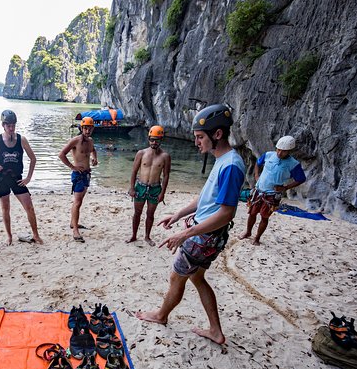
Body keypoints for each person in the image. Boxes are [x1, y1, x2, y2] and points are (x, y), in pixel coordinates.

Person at [136, 104, 245, 345]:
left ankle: (161, 315)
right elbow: (206, 198)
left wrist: (186, 234)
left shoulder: (230, 166)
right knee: (197, 278)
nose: (196, 142)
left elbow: (226, 212)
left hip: (204, 236)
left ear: (217, 135)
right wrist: (177, 214)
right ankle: (215, 331)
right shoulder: (223, 159)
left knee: (177, 278)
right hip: (207, 234)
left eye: (199, 137)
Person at [0, 109, 43, 245]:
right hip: (2, 180)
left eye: (13, 125)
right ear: (3, 125)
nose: (11, 128)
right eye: (8, 125)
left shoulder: (21, 140)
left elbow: (33, 159)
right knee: (5, 209)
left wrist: (29, 178)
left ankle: (36, 235)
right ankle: (9, 236)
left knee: (29, 207)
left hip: (17, 179)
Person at [239, 135, 306, 245]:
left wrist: (285, 188)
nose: (279, 153)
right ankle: (248, 232)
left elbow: (301, 179)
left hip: (272, 194)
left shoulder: (293, 164)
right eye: (278, 149)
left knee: (264, 217)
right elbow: (258, 163)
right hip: (259, 190)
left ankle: (257, 238)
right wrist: (256, 176)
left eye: (283, 151)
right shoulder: (268, 155)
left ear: (289, 151)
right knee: (252, 213)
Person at [126, 126, 171, 246]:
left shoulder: (165, 156)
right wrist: (131, 188)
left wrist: (162, 193)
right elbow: (134, 172)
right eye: (152, 139)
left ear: (161, 140)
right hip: (140, 186)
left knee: (150, 214)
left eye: (156, 140)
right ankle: (134, 235)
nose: (154, 142)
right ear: (149, 139)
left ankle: (147, 236)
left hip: (155, 188)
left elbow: (166, 176)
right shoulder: (141, 153)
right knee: (137, 213)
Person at [58, 116, 98, 242]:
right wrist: (72, 167)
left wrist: (94, 159)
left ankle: (72, 223)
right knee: (77, 202)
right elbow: (61, 154)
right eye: (85, 128)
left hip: (87, 174)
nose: (87, 131)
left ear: (92, 129)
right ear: (81, 128)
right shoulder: (75, 141)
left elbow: (93, 150)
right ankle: (75, 230)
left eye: (89, 128)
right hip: (78, 175)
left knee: (79, 201)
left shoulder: (90, 141)